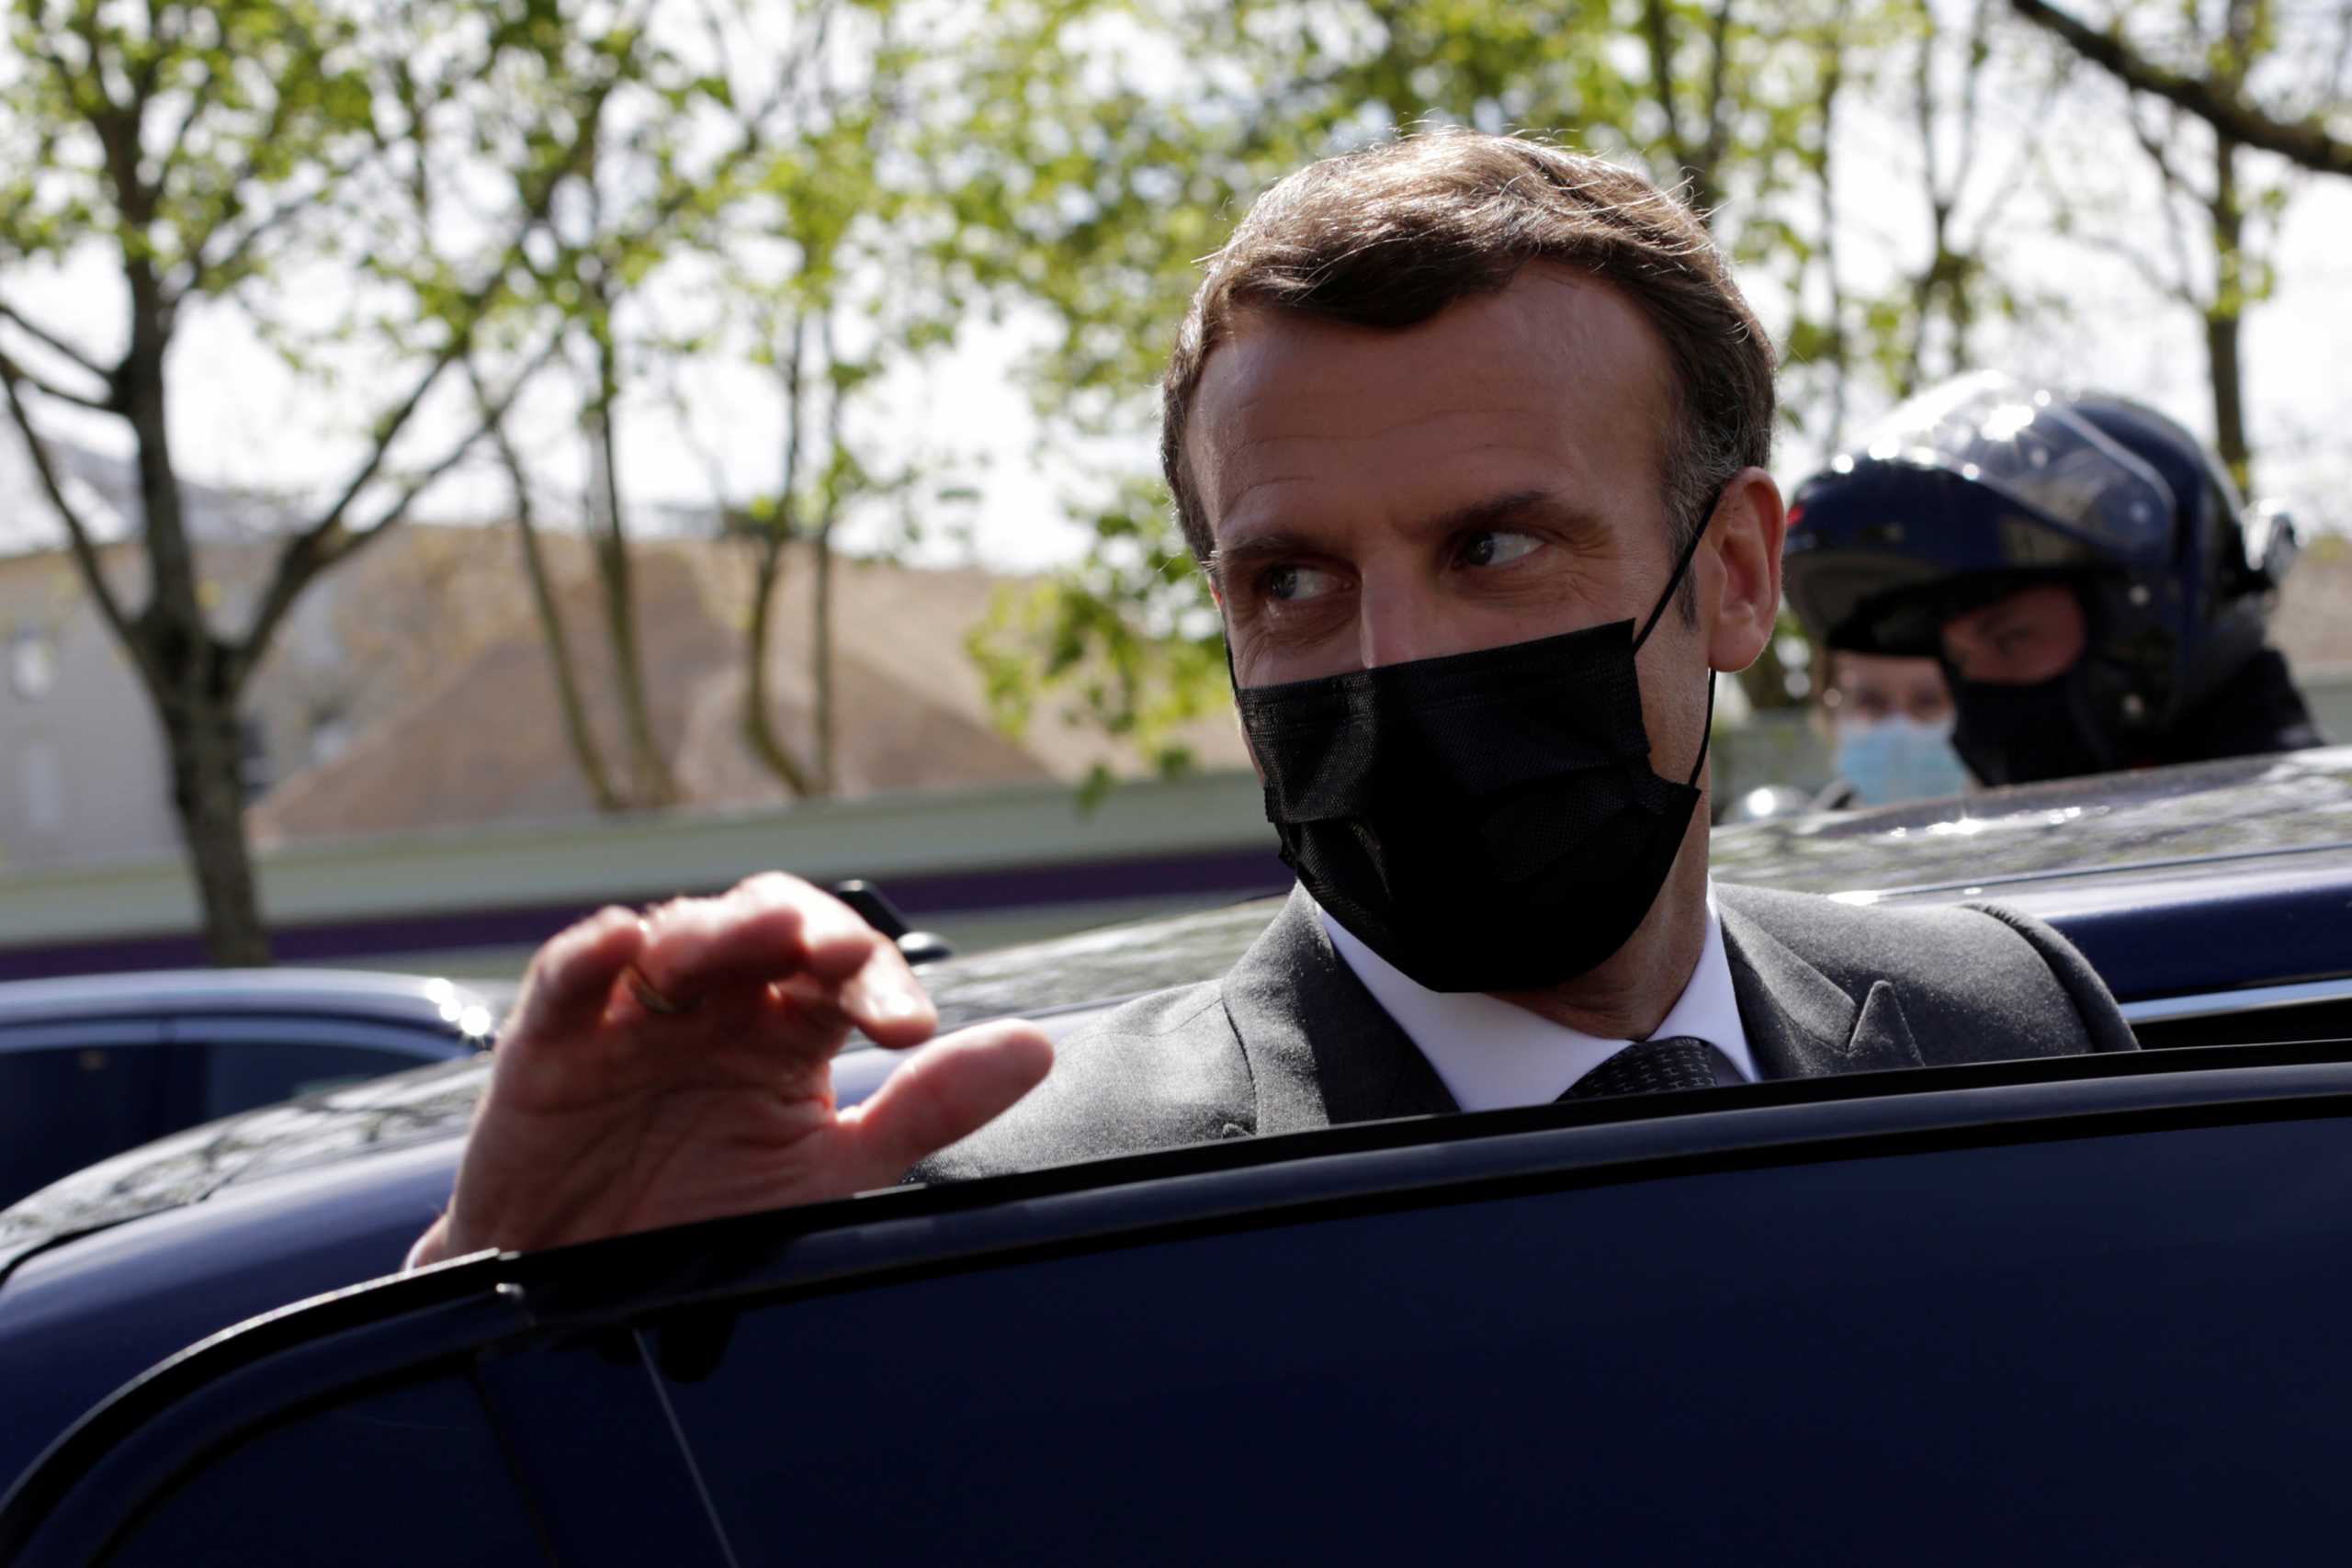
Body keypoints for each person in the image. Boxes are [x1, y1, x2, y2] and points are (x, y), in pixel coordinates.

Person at [407, 134, 2134, 1269]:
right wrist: (515, 1327)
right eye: (1289, 581)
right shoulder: (1026, 1215)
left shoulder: (2004, 1025)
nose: (1388, 658)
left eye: (1496, 544)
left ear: (1741, 573)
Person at [1782, 372, 2318, 786]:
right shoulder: (2051, 860)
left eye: (2012, 639)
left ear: (2141, 625)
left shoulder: (2298, 853)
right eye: (1962, 661)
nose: (1982, 686)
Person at [1812, 649, 1969, 809]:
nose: (1899, 726)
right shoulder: (1804, 830)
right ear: (1829, 713)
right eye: (1870, 701)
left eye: (1928, 700)